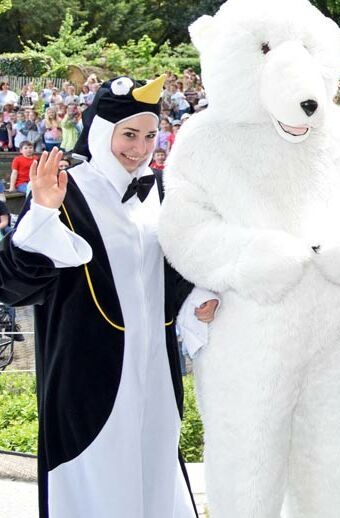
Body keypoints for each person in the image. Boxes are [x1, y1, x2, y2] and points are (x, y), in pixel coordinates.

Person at [0, 75, 216, 518]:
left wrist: (198, 299)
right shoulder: (64, 191)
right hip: (86, 382)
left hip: (155, 375)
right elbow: (13, 284)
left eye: (151, 135)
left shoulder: (160, 191)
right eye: (129, 134)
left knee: (156, 478)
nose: (140, 147)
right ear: (102, 132)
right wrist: (39, 214)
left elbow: (173, 276)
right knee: (96, 492)